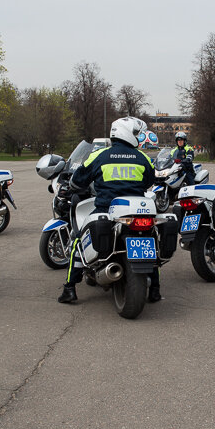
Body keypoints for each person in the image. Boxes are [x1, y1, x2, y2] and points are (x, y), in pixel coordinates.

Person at [59, 117, 160, 304]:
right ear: (126, 133)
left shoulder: (100, 155)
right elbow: (149, 182)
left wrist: (71, 185)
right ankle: (155, 289)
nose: (138, 137)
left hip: (105, 209)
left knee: (78, 241)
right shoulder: (143, 157)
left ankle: (70, 288)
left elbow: (79, 179)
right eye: (137, 133)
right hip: (136, 210)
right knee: (149, 240)